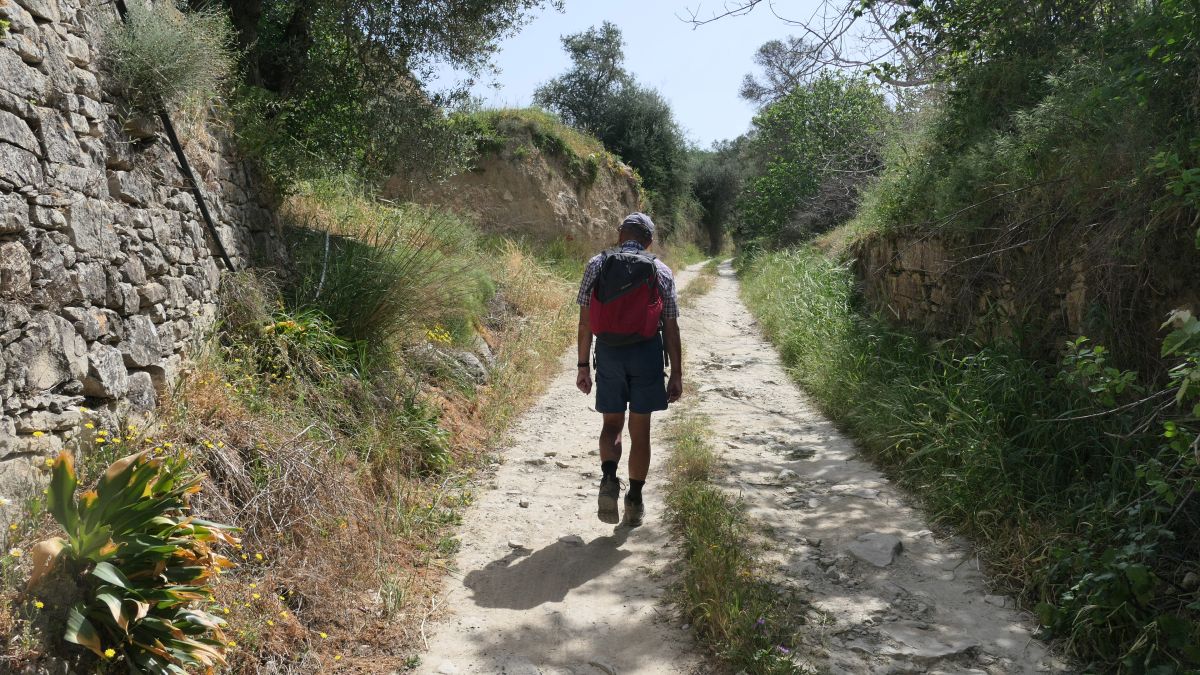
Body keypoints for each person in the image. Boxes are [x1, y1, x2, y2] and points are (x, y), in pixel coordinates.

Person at [575, 212, 683, 527]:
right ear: (649, 240)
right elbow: (671, 327)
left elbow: (585, 323)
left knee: (612, 424)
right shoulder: (661, 270)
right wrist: (676, 373)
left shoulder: (597, 264)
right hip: (646, 354)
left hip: (609, 352)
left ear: (620, 234)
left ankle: (609, 478)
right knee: (640, 430)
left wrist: (583, 366)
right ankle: (634, 501)